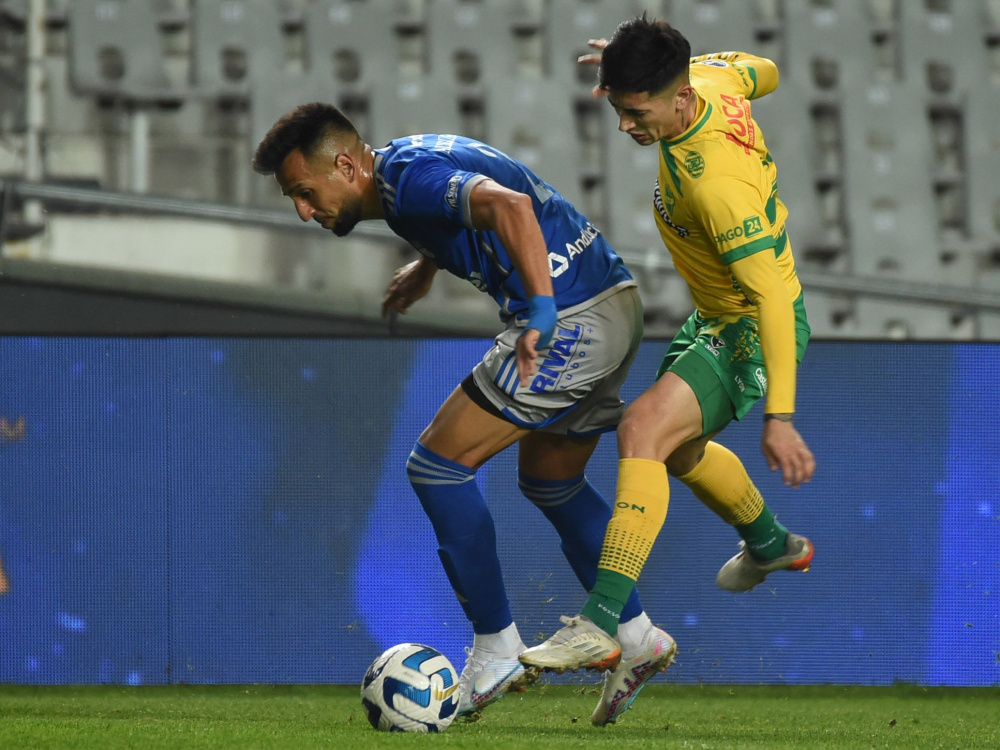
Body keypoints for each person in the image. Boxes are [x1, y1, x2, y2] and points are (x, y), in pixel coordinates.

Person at [251, 103, 676, 724]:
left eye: (304, 192)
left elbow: (510, 206)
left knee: (437, 466)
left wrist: (540, 311)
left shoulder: (407, 180)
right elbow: (471, 203)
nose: (303, 211)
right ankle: (637, 637)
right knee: (551, 482)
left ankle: (496, 644)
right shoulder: (403, 171)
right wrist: (428, 264)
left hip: (574, 318)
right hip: (614, 303)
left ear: (345, 164)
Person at [521, 15, 816, 675]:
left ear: (679, 100)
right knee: (678, 448)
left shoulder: (717, 184)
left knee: (644, 429)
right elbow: (763, 71)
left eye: (637, 109)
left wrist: (781, 419)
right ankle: (770, 543)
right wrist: (635, 62)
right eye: (621, 107)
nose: (626, 124)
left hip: (749, 328)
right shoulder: (709, 81)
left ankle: (600, 625)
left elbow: (770, 296)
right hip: (714, 317)